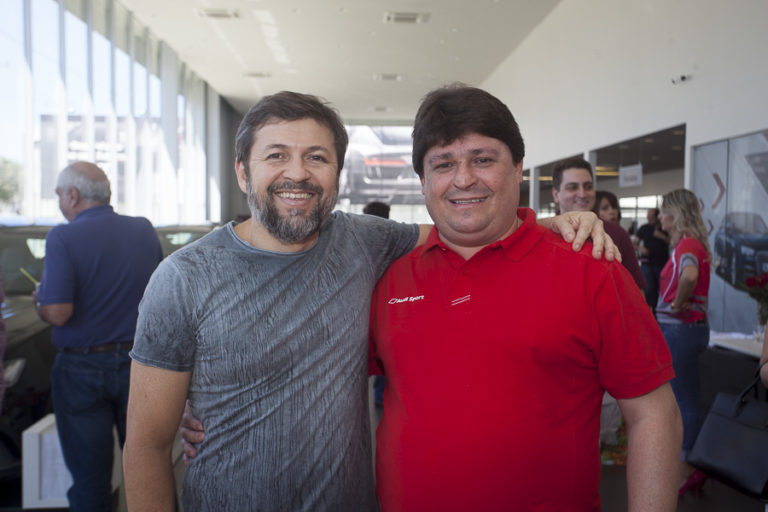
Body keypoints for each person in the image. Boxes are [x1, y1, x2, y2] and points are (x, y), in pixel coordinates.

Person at [129, 91, 615, 511]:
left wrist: (563, 223)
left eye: (316, 157)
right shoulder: (183, 279)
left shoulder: (365, 241)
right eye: (276, 155)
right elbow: (147, 446)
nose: (296, 173)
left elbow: (466, 223)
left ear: (337, 172)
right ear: (241, 171)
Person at [368, 85, 682, 511]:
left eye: (483, 159)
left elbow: (653, 415)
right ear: (423, 181)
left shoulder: (593, 270)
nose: (463, 179)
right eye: (444, 164)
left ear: (518, 168)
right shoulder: (388, 277)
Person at [33, 161, 162, 512]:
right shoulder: (142, 230)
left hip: (82, 370)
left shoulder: (63, 236)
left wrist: (39, 303)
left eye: (59, 194)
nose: (60, 201)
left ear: (73, 195)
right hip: (142, 365)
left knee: (91, 482)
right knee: (150, 471)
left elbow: (58, 312)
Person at [655, 188, 712, 496]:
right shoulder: (687, 244)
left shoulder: (687, 245)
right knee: (685, 395)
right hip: (686, 329)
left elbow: (688, 276)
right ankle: (689, 464)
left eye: (664, 210)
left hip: (682, 328)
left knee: (684, 398)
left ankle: (687, 466)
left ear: (674, 214)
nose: (660, 216)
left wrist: (678, 304)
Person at [552, 158, 646, 289]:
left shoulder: (617, 233)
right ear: (556, 195)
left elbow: (636, 287)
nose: (582, 194)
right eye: (572, 187)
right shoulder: (544, 233)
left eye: (588, 187)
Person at [363, 200, 391, 408]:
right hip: (384, 308)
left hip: (365, 307)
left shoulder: (361, 241)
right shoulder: (394, 240)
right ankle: (380, 395)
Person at [637, 208, 670, 315]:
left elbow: (672, 241)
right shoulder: (644, 228)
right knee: (648, 289)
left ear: (657, 216)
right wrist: (640, 249)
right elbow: (633, 242)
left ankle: (657, 314)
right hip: (647, 263)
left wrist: (662, 236)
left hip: (662, 264)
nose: (649, 218)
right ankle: (646, 313)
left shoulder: (665, 227)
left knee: (660, 290)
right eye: (648, 215)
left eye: (651, 216)